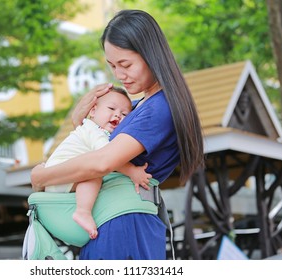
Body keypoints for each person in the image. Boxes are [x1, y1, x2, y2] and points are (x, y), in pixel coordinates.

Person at [31, 9, 204, 260]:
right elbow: (94, 148)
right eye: (112, 66)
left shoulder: (158, 108)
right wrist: (80, 123)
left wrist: (42, 176)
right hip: (114, 221)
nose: (119, 75)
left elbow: (102, 161)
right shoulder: (139, 106)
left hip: (122, 224)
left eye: (126, 64)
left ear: (151, 55)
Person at [44, 86, 151, 239]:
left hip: (58, 178)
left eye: (124, 114)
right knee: (95, 173)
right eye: (111, 108)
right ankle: (83, 212)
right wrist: (133, 171)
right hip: (59, 175)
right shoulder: (94, 130)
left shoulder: (93, 131)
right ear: (93, 111)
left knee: (94, 172)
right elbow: (110, 157)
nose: (117, 115)